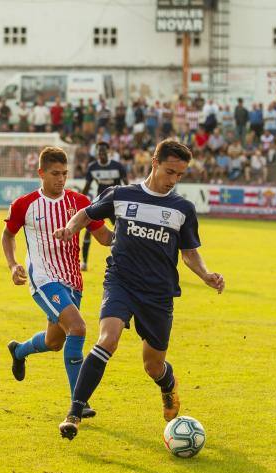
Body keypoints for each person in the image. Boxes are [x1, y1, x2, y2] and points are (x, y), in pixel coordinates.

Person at [53, 140, 225, 440]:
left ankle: (168, 385)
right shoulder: (121, 195)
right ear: (154, 161)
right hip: (121, 281)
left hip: (158, 293)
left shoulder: (182, 208)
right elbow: (87, 214)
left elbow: (189, 253)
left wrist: (206, 274)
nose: (173, 180)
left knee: (153, 365)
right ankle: (74, 413)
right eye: (170, 171)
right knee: (108, 339)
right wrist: (71, 228)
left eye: (180, 175)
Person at [2, 147, 114, 418]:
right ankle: (80, 401)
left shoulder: (80, 202)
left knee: (55, 342)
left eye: (65, 174)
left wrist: (131, 237)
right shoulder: (24, 204)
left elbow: (103, 237)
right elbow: (8, 235)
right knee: (77, 328)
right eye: (55, 174)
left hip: (72, 281)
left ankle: (19, 351)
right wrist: (13, 264)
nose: (61, 179)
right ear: (41, 173)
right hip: (42, 278)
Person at [79, 141, 127, 271]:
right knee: (89, 230)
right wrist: (78, 201)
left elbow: (126, 185)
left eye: (103, 151)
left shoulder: (117, 166)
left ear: (108, 152)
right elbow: (87, 186)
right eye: (99, 152)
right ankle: (84, 262)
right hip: (100, 203)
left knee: (122, 231)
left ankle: (124, 261)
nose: (101, 154)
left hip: (116, 204)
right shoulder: (92, 167)